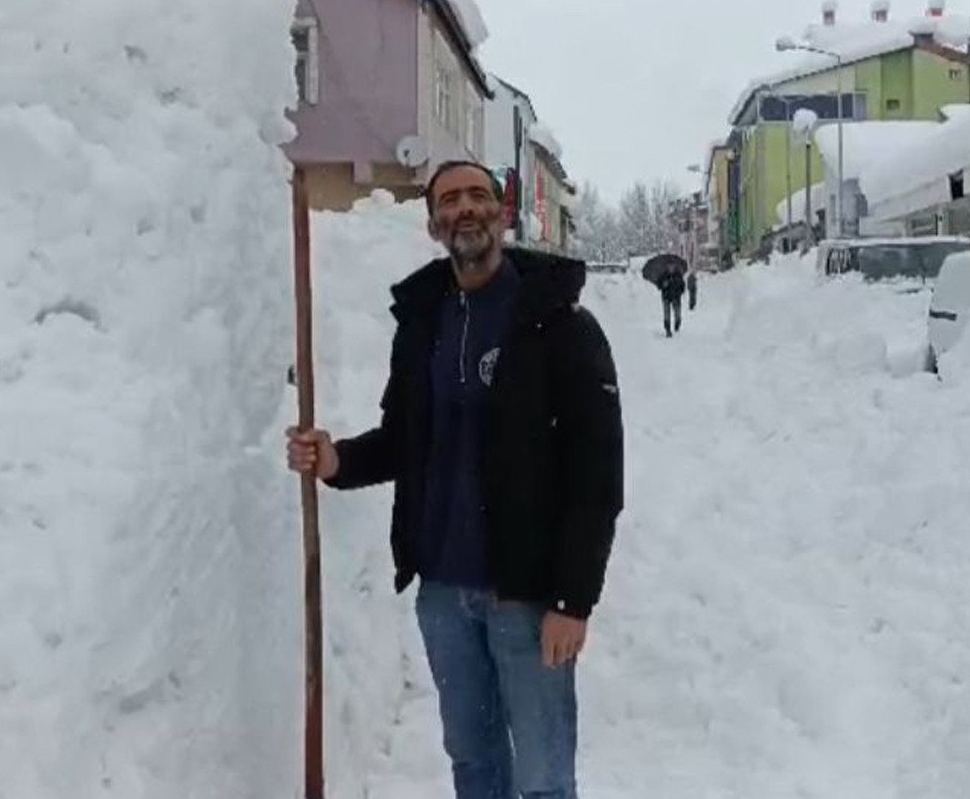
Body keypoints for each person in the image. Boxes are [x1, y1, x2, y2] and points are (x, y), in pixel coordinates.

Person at [287, 159, 624, 799]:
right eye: (449, 200)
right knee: (473, 765)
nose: (463, 208)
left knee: (544, 775)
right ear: (434, 221)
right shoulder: (423, 324)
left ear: (502, 211)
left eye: (477, 196)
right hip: (443, 590)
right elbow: (405, 438)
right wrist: (337, 462)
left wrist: (573, 601)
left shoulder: (561, 327)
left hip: (527, 595)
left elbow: (597, 477)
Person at [658, 268, 685, 337]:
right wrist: (663, 284)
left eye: (672, 265)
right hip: (666, 297)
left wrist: (679, 291)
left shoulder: (678, 274)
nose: (671, 267)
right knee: (667, 313)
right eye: (669, 265)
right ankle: (667, 329)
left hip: (676, 297)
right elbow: (659, 285)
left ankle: (677, 323)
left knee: (677, 313)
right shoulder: (663, 274)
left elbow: (682, 286)